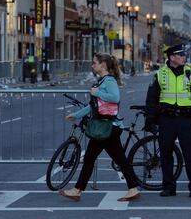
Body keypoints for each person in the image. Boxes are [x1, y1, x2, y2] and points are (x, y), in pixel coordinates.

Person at [60, 53, 141, 202]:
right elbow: (94, 106)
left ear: (103, 65)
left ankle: (77, 190)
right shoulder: (103, 80)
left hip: (107, 127)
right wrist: (77, 115)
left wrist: (98, 92)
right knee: (117, 159)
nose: (92, 65)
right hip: (107, 126)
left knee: (91, 158)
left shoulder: (109, 80)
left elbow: (115, 97)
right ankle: (133, 188)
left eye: (94, 63)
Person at [144, 43, 191, 197]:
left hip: (186, 119)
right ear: (172, 57)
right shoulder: (160, 74)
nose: (184, 57)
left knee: (190, 156)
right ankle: (169, 187)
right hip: (167, 120)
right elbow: (151, 98)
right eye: (181, 55)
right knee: (166, 156)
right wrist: (150, 119)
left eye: (184, 55)